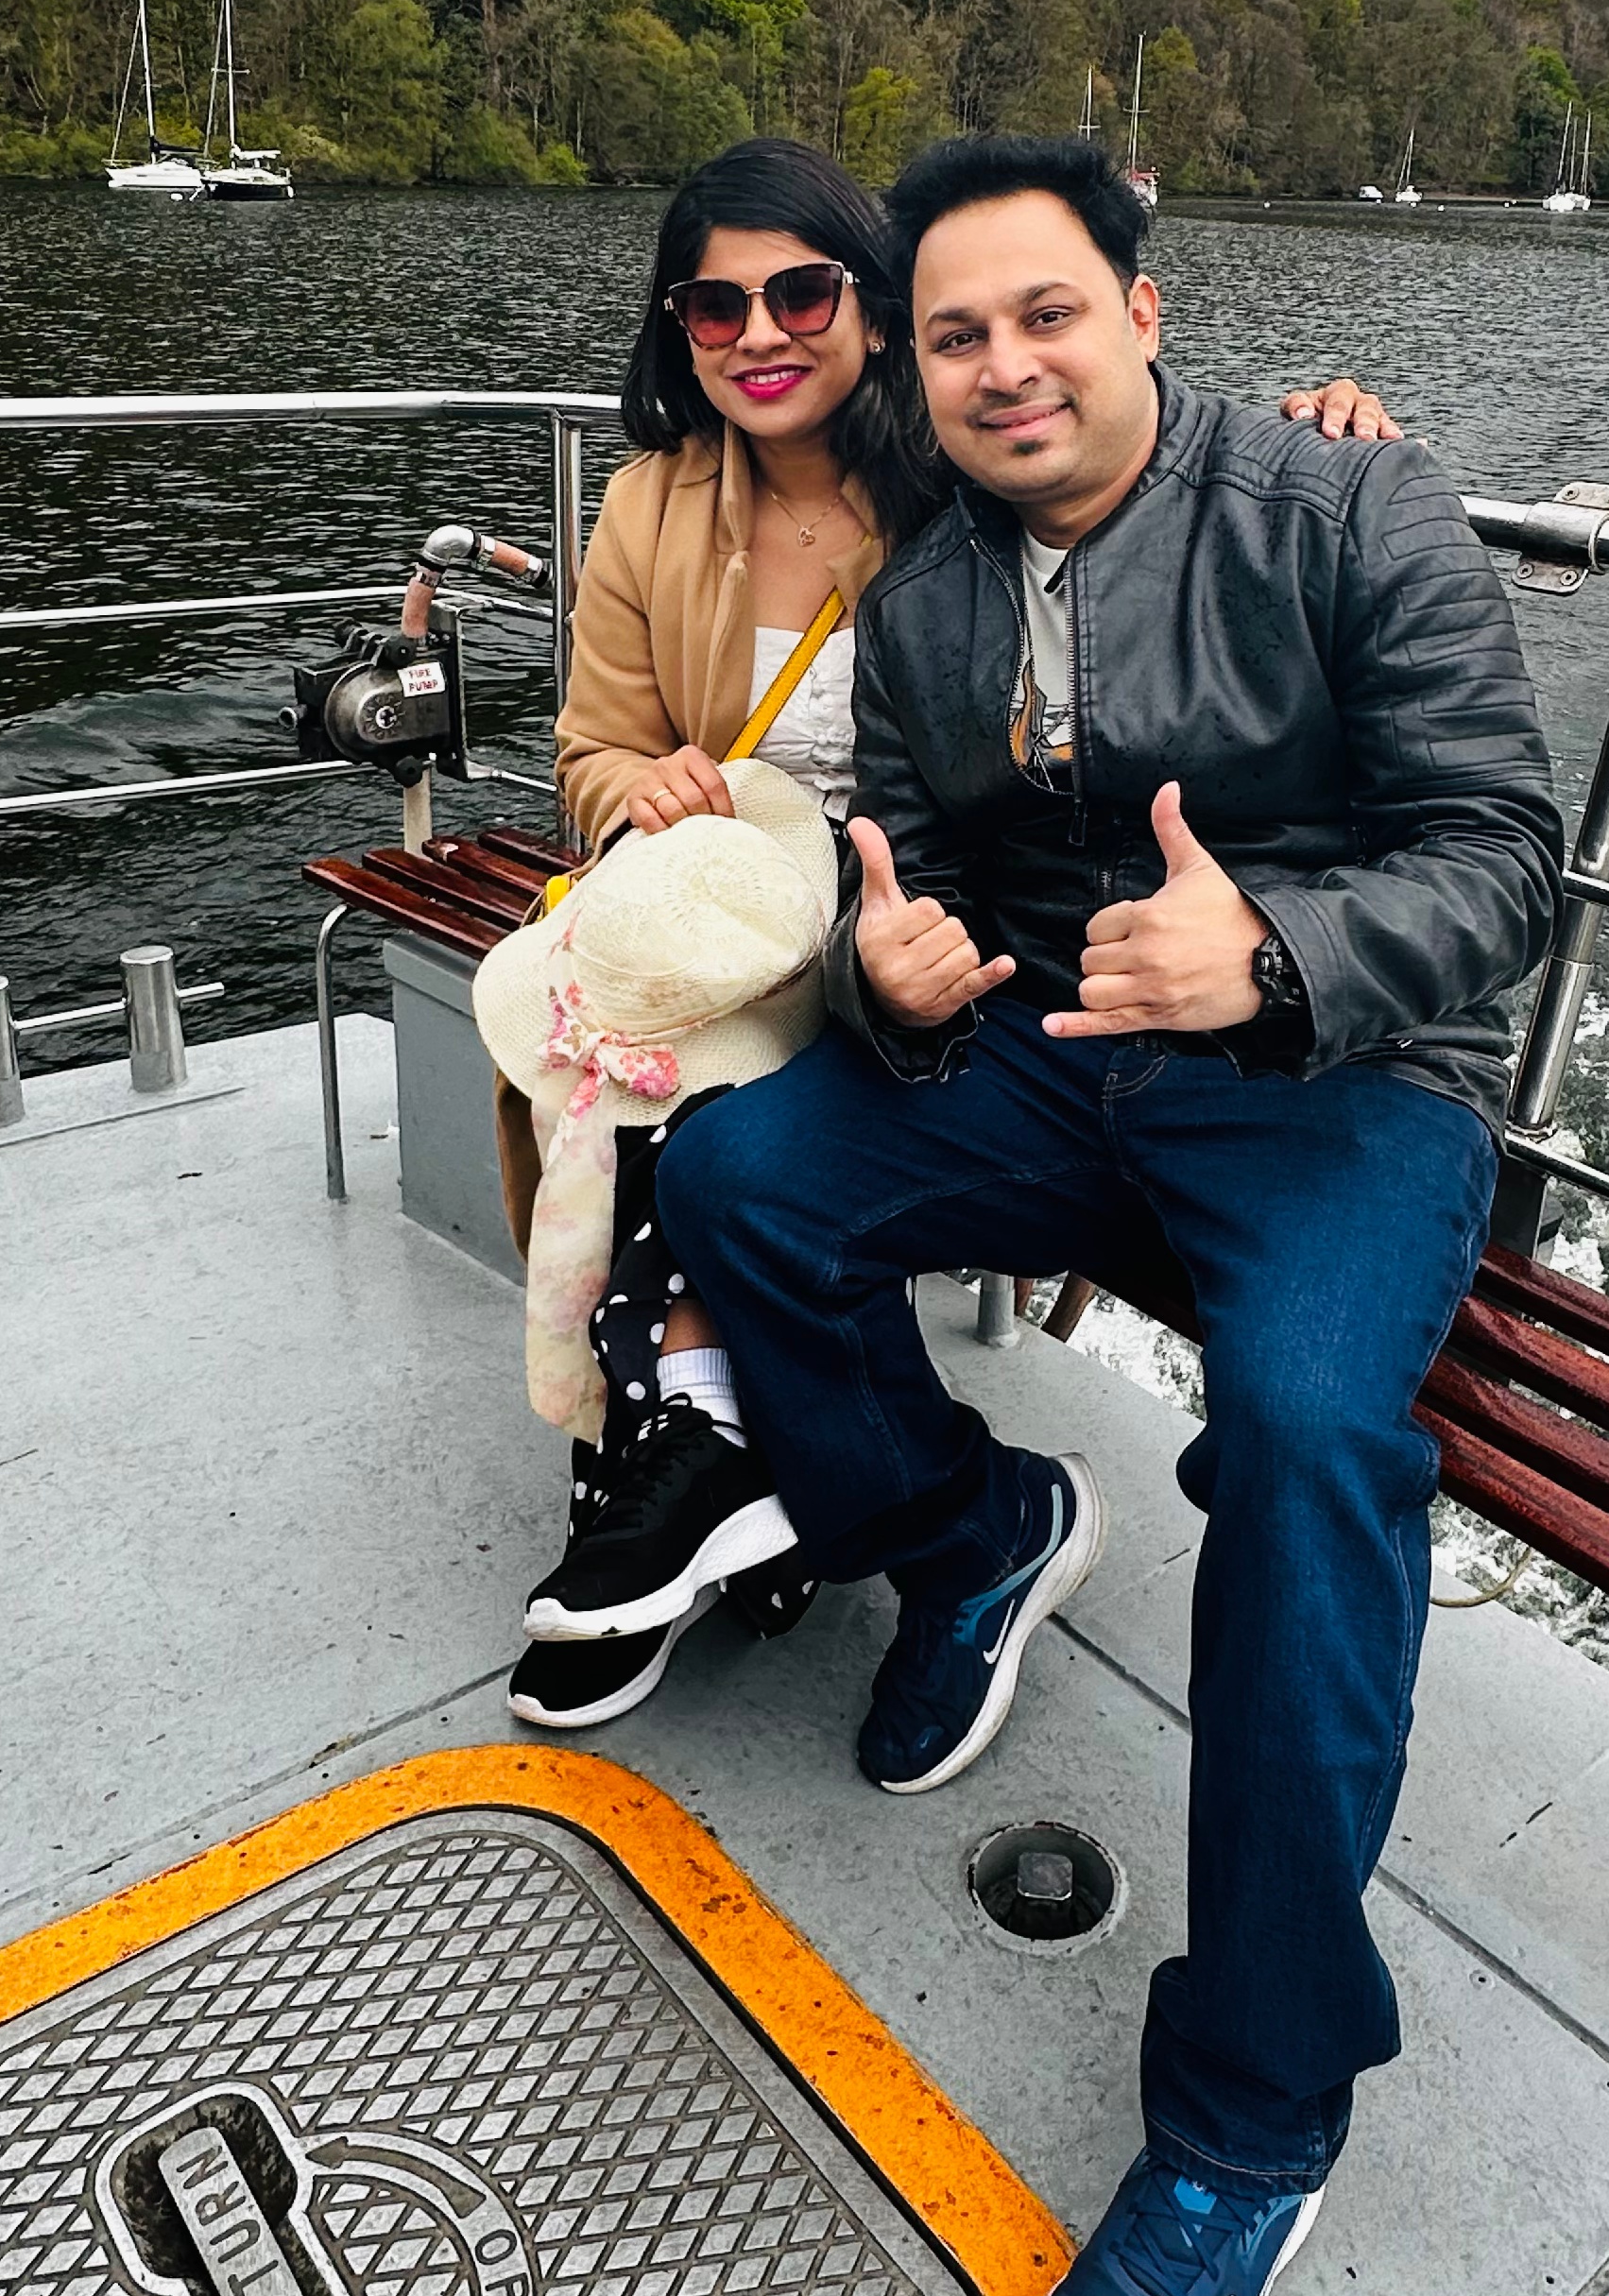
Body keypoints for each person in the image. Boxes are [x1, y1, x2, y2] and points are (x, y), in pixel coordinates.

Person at [555, 129, 1565, 2296]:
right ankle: (966, 1522)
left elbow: (1507, 858)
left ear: (1143, 314)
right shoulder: (928, 597)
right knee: (743, 1173)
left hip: (1336, 1084)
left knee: (1307, 1440)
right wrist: (898, 985)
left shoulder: (1345, 508)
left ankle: (1249, 2118)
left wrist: (1277, 949)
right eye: (958, 337)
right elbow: (921, 886)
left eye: (1047, 315)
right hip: (1056, 1052)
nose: (1006, 366)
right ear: (919, 375)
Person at [504, 131, 1398, 1733]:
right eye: (713, 307)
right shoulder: (648, 508)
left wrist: (1312, 419)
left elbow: (1126, 440)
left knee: (703, 1094)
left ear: (872, 308)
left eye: (800, 293)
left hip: (918, 911)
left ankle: (704, 1457)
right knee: (618, 1048)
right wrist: (641, 788)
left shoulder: (959, 472)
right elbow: (592, 752)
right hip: (733, 893)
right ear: (676, 330)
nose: (760, 334)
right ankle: (687, 1452)